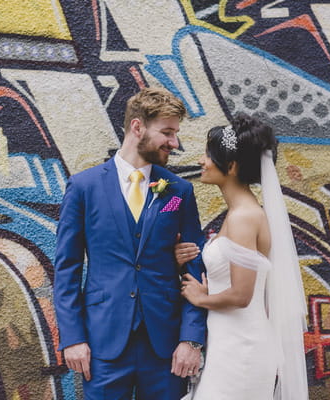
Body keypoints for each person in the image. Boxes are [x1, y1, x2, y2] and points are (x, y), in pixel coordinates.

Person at [54, 87, 207, 399]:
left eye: (175, 133)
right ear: (137, 127)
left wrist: (191, 339)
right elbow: (66, 268)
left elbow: (195, 268)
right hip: (102, 342)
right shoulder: (84, 187)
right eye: (167, 132)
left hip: (165, 345)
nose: (174, 143)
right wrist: (72, 338)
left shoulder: (178, 192)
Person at [175, 113, 309, 399]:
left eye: (209, 155)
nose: (201, 161)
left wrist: (201, 298)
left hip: (242, 349)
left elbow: (242, 295)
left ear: (232, 166)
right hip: (230, 344)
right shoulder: (239, 214)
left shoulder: (243, 218)